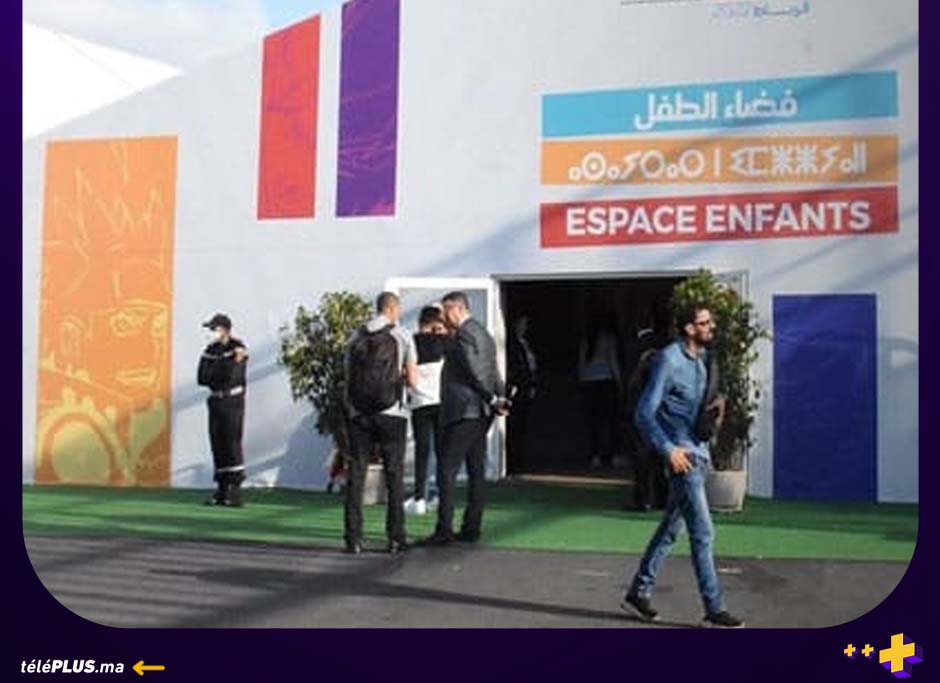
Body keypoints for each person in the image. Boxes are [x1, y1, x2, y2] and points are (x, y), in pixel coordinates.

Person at [622, 302, 744, 628]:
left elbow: (698, 407)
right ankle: (714, 609)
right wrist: (668, 450)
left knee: (669, 529)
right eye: (705, 323)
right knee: (703, 532)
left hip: (700, 453)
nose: (711, 327)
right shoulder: (669, 360)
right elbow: (644, 413)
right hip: (684, 459)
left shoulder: (704, 360)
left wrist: (716, 408)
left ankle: (638, 591)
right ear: (689, 328)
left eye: (710, 322)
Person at [423, 292, 510, 546]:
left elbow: (475, 373)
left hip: (464, 411)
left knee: (446, 470)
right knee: (476, 470)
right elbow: (492, 370)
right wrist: (500, 396)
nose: (443, 316)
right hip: (480, 412)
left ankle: (444, 530)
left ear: (458, 309)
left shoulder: (464, 335)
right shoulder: (484, 334)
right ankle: (471, 527)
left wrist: (492, 398)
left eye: (446, 310)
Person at [343, 292, 418, 554]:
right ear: (393, 309)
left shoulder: (355, 337)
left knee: (356, 473)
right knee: (394, 473)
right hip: (392, 412)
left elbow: (347, 376)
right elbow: (413, 378)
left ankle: (353, 538)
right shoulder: (402, 335)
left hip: (359, 413)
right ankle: (396, 537)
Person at [197, 313, 249, 507]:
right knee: (217, 443)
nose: (211, 332)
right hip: (215, 400)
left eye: (214, 328)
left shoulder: (237, 346)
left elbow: (231, 375)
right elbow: (202, 377)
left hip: (232, 401)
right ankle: (221, 489)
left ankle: (235, 490)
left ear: (225, 330)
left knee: (231, 443)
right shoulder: (210, 350)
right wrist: (220, 371)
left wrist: (217, 371)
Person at [405, 305, 448, 515]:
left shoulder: (411, 343)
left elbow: (406, 372)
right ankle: (440, 495)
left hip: (419, 403)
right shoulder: (444, 342)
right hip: (440, 401)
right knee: (442, 451)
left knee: (422, 452)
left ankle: (419, 497)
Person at [624, 326, 668, 511]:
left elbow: (631, 383)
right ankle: (661, 498)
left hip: (642, 407)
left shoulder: (635, 348)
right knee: (659, 455)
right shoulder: (666, 348)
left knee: (641, 456)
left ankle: (642, 499)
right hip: (661, 409)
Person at [578, 314, 622, 468]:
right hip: (606, 380)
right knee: (610, 420)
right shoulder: (609, 339)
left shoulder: (586, 340)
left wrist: (582, 379)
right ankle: (611, 454)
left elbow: (581, 362)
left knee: (594, 420)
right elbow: (613, 361)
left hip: (590, 381)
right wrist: (619, 382)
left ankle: (594, 454)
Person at [507, 315, 538, 473]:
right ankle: (513, 463)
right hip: (517, 388)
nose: (524, 327)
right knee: (515, 426)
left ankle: (519, 461)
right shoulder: (512, 344)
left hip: (526, 387)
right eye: (522, 324)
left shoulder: (524, 343)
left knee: (521, 426)